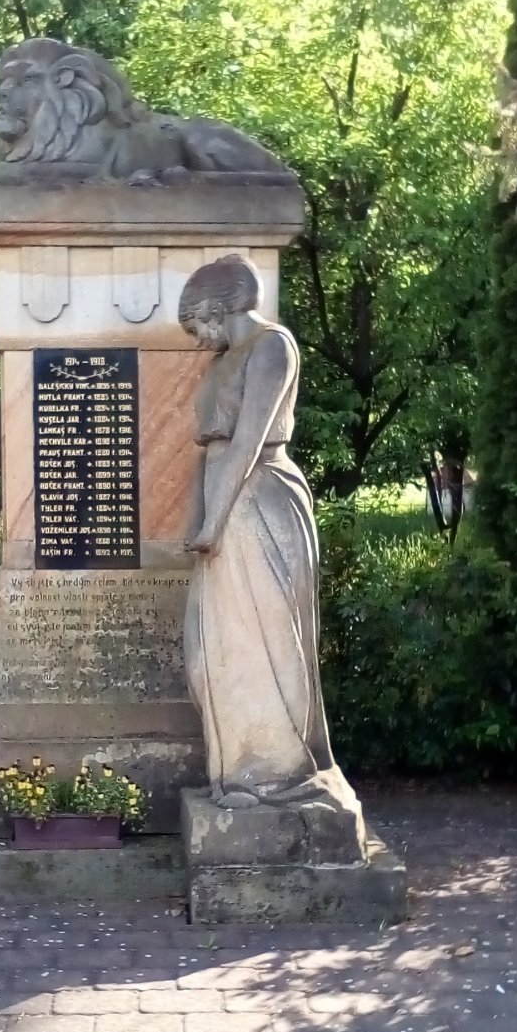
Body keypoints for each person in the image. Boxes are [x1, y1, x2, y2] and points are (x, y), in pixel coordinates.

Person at [180, 254, 347, 810]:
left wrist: (212, 521)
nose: (199, 339)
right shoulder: (223, 361)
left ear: (216, 308)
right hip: (224, 507)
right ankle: (235, 772)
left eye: (197, 325)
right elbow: (212, 450)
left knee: (266, 642)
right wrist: (199, 521)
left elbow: (249, 440)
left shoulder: (272, 345)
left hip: (257, 501)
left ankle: (272, 774)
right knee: (212, 652)